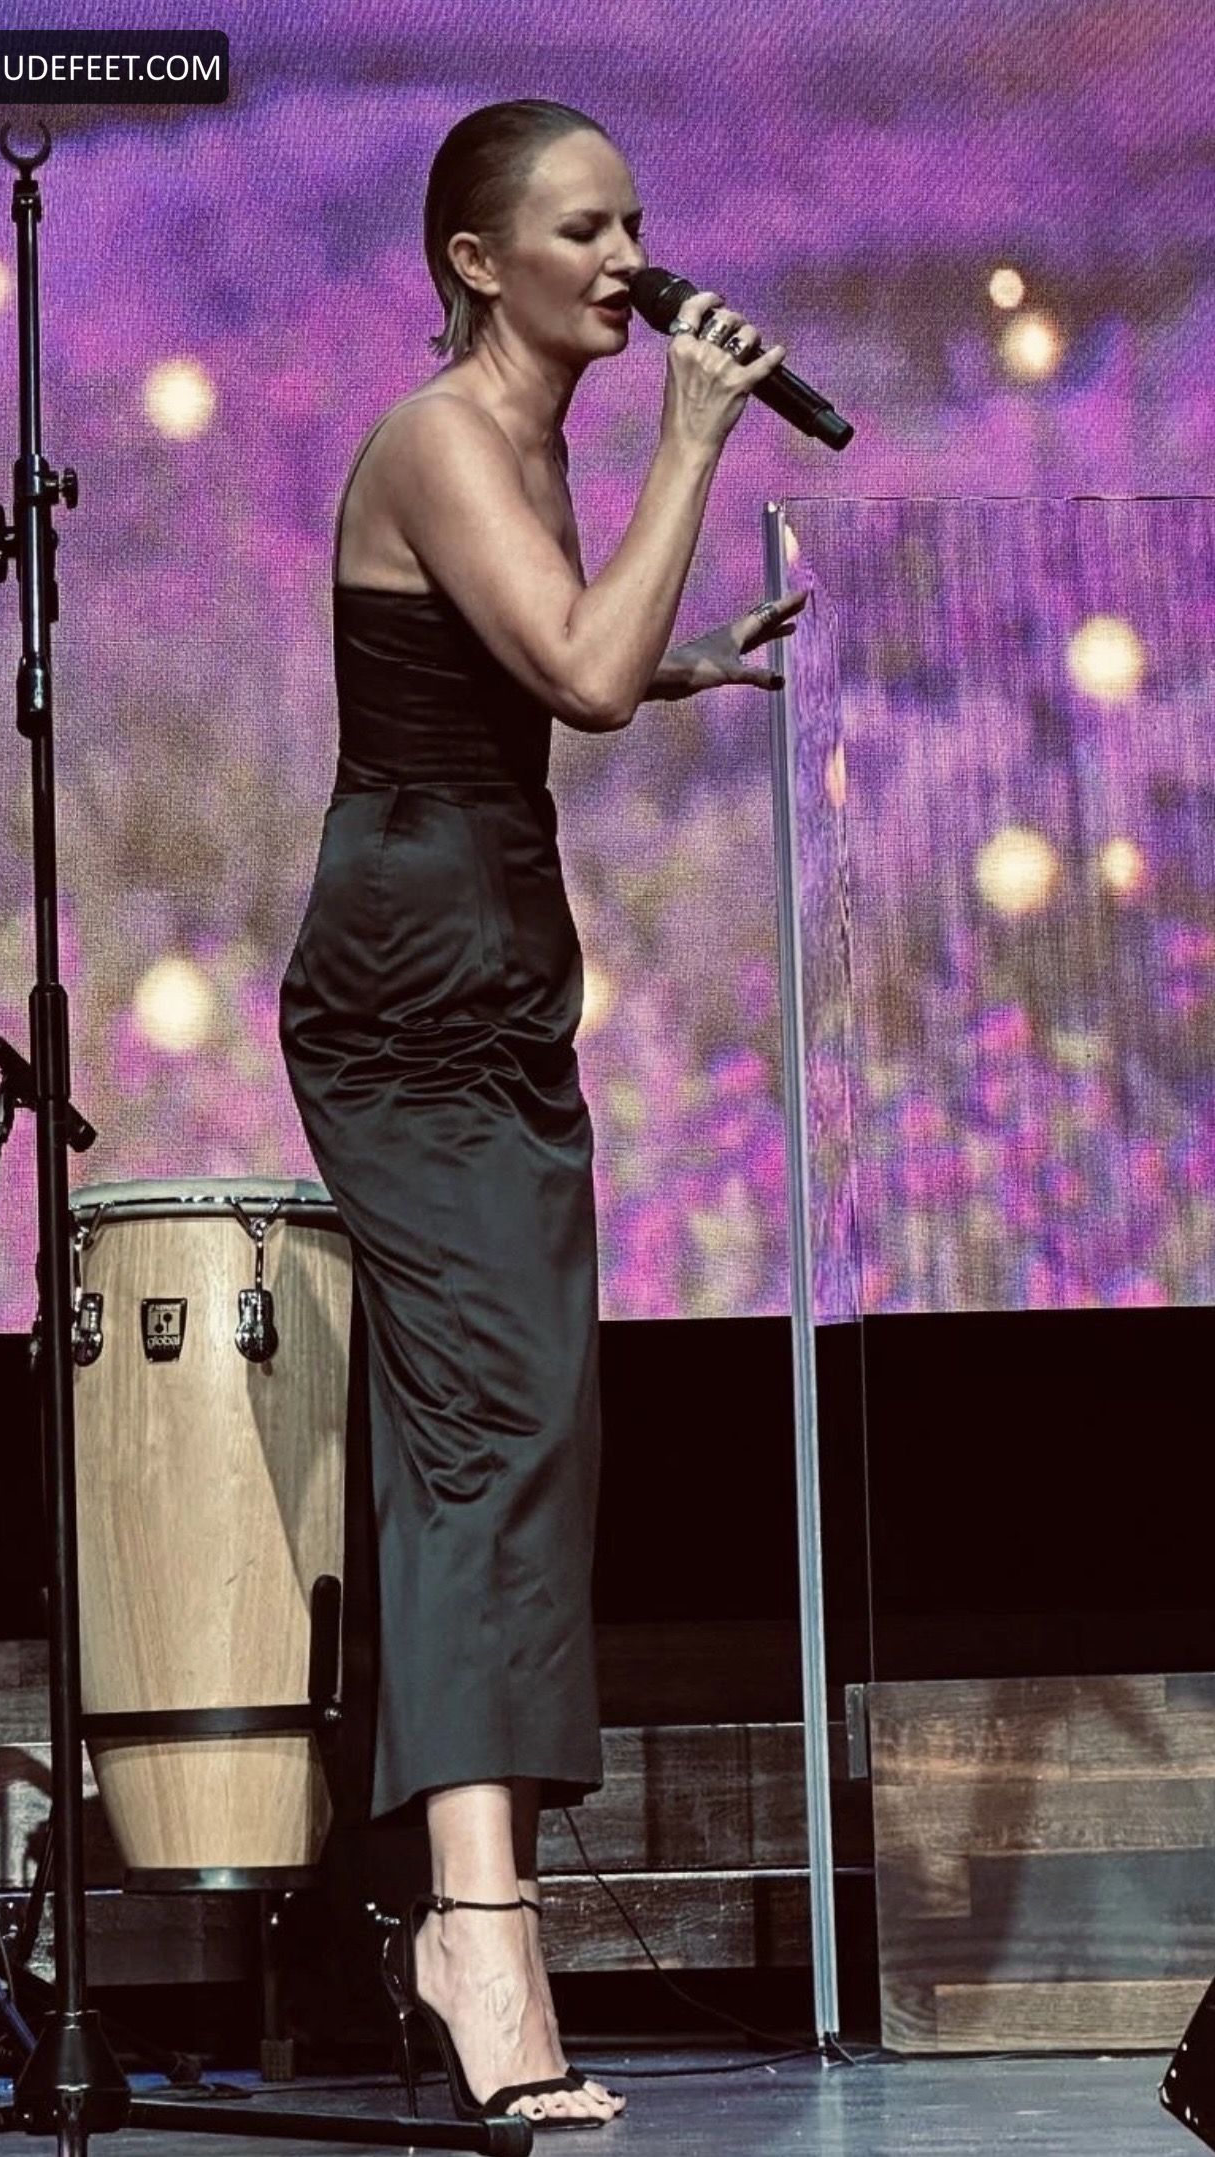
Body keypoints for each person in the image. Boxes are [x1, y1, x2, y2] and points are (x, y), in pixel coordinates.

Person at [279, 97, 805, 2130]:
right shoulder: (437, 435)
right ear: (475, 261)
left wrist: (686, 660)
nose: (630, 259)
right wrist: (696, 444)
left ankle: (455, 1904)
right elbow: (572, 674)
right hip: (409, 985)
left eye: (636, 222)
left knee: (514, 1427)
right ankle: (479, 1928)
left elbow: (535, 660)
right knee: (492, 1427)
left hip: (501, 963)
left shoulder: (527, 440)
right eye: (584, 228)